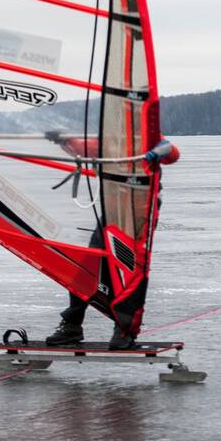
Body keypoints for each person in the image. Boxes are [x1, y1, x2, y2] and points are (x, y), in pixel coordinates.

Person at [46, 137, 180, 348]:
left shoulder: (147, 136)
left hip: (141, 209)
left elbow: (173, 153)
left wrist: (160, 149)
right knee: (88, 263)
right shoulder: (107, 139)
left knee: (128, 267)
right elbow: (81, 146)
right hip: (113, 208)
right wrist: (63, 139)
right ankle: (72, 325)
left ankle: (124, 331)